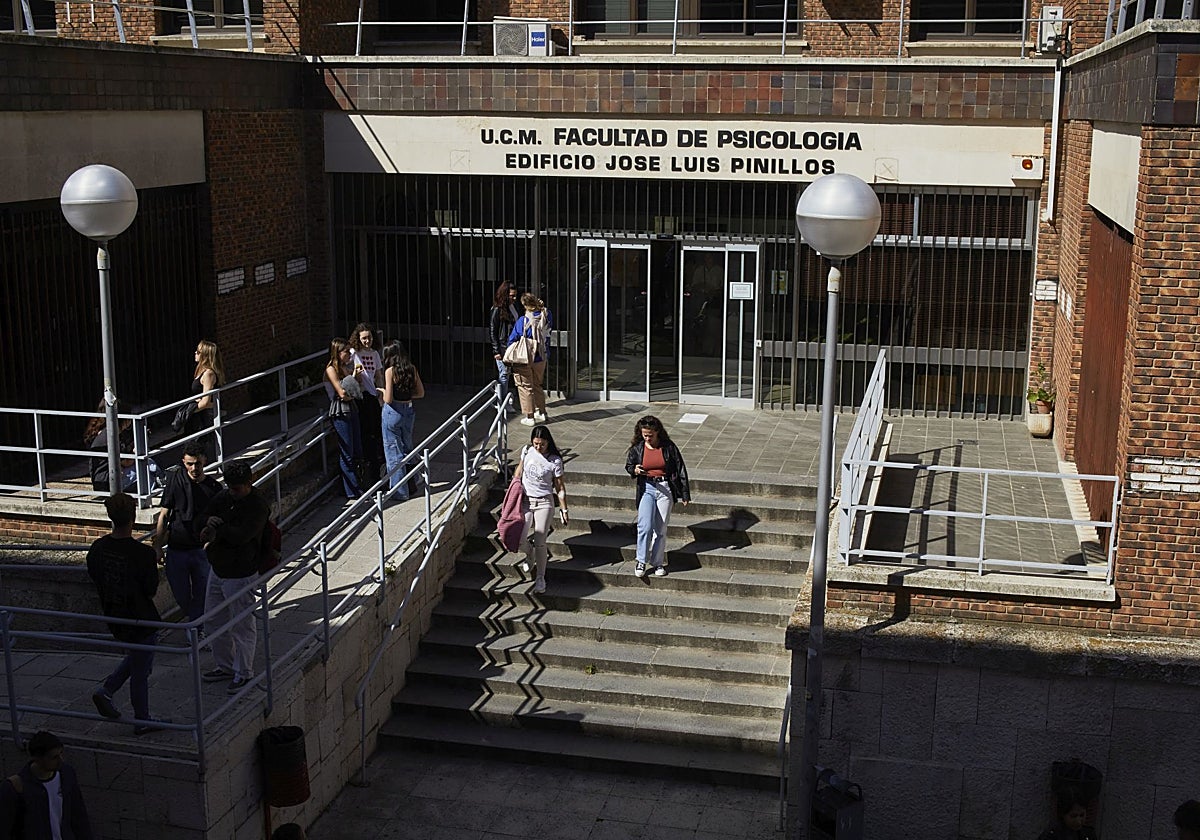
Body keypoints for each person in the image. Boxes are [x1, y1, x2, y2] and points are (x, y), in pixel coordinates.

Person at [86, 493, 166, 735]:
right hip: (141, 618)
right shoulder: (142, 554)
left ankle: (107, 690)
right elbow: (150, 589)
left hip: (114, 613)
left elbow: (94, 576)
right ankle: (141, 719)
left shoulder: (98, 548)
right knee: (141, 670)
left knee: (137, 657)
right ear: (133, 518)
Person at [200, 460, 270, 695]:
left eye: (237, 488)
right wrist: (208, 521)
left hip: (241, 572)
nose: (233, 492)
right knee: (213, 620)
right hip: (218, 567)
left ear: (248, 483)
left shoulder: (258, 505)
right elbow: (207, 511)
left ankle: (244, 671)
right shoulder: (224, 497)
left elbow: (243, 535)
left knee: (242, 625)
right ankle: (226, 666)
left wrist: (218, 528)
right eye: (230, 487)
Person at [153, 441, 222, 628]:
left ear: (204, 462)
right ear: (183, 462)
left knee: (201, 594)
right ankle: (195, 623)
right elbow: (164, 515)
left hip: (201, 551)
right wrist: (158, 547)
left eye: (197, 463)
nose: (194, 468)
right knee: (181, 594)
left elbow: (221, 520)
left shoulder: (214, 488)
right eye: (189, 463)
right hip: (177, 549)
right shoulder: (176, 481)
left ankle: (196, 628)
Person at [623, 415, 690, 579]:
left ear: (657, 432)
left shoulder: (668, 447)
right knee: (644, 526)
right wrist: (635, 470)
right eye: (644, 434)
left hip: (665, 488)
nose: (647, 438)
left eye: (650, 435)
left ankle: (657, 562)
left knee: (660, 528)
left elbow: (680, 468)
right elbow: (629, 465)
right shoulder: (638, 448)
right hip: (647, 487)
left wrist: (685, 493)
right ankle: (641, 560)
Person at [0, 731, 94, 840]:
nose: (60, 760)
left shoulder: (67, 774)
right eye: (54, 757)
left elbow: (79, 816)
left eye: (61, 754)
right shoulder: (14, 788)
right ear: (37, 758)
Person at [511, 425, 567, 594]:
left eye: (541, 444)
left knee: (540, 538)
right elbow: (519, 469)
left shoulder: (554, 461)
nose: (538, 447)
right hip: (526, 501)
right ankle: (529, 555)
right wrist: (515, 484)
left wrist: (564, 510)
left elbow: (560, 487)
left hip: (544, 502)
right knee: (520, 537)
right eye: (535, 443)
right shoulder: (527, 451)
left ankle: (540, 577)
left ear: (548, 442)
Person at [379, 341, 425, 501]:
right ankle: (414, 479)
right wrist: (407, 396)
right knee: (407, 447)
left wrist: (382, 391)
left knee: (393, 452)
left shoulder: (390, 371)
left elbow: (388, 399)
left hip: (393, 413)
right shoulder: (412, 369)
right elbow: (421, 393)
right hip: (409, 411)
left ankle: (400, 492)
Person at [324, 338, 363, 499]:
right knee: (347, 451)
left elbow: (353, 390)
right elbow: (342, 394)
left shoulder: (345, 368)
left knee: (356, 448)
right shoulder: (331, 369)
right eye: (346, 351)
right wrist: (350, 387)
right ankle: (351, 490)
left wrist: (353, 377)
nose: (349, 354)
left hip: (351, 408)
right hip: (340, 411)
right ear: (338, 353)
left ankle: (357, 484)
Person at [507, 293, 552, 427]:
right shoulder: (546, 316)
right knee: (537, 385)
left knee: (525, 387)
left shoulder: (523, 321)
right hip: (541, 357)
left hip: (525, 357)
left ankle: (529, 416)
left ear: (525, 306)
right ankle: (542, 412)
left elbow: (513, 338)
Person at [348, 323, 384, 485]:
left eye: (369, 337)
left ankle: (376, 466)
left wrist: (381, 393)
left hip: (372, 395)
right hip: (359, 395)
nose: (367, 341)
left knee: (375, 431)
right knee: (365, 432)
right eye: (363, 338)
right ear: (358, 339)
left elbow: (378, 374)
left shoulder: (375, 354)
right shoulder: (353, 354)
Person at [186, 339, 225, 464]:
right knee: (192, 449)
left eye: (198, 351)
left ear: (205, 356)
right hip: (196, 414)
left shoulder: (208, 374)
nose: (195, 353)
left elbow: (206, 401)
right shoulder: (200, 370)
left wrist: (187, 411)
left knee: (196, 450)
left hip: (201, 416)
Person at [489, 281, 520, 413]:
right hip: (502, 347)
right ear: (504, 295)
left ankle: (503, 400)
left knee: (507, 374)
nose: (514, 298)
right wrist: (496, 350)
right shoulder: (497, 309)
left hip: (512, 346)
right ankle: (502, 403)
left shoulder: (512, 307)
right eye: (511, 296)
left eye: (515, 296)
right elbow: (492, 330)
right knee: (504, 374)